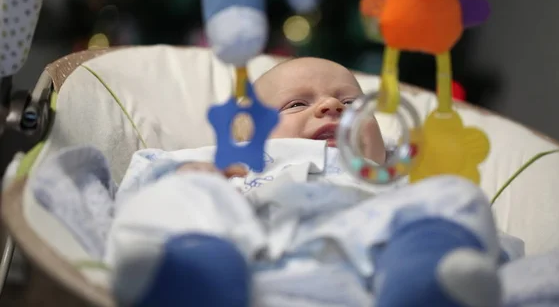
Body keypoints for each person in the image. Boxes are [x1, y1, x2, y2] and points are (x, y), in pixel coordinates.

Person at [106, 58, 520, 307]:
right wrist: (190, 178)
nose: (331, 106)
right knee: (182, 193)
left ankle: (427, 280)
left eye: (352, 103)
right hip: (251, 253)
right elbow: (143, 182)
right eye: (297, 104)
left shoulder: (401, 180)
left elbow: (498, 245)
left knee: (455, 196)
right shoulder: (231, 162)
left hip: (372, 270)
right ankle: (196, 271)